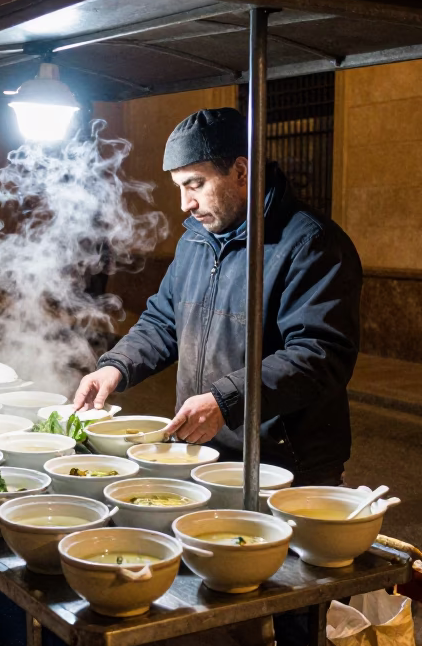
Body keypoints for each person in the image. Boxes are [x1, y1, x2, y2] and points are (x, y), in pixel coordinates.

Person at [73, 107, 363, 486]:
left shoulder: (310, 243)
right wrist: (117, 366)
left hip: (285, 464)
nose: (184, 204)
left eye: (194, 184)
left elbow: (319, 355)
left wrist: (227, 400)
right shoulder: (195, 239)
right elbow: (164, 321)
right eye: (179, 187)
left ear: (241, 172)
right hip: (203, 452)